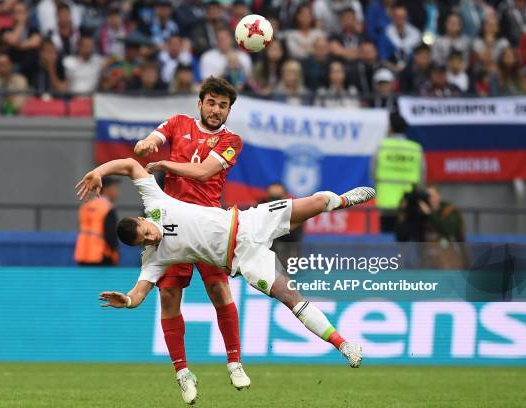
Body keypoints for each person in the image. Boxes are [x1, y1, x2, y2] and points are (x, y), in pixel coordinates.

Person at [75, 158, 374, 404]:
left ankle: (344, 200)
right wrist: (126, 301)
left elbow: (130, 164)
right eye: (145, 240)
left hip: (248, 221)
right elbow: (140, 293)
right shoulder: (154, 257)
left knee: (320, 201)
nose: (152, 237)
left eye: (147, 231)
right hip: (245, 259)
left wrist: (98, 171)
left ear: (142, 220)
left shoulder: (156, 202)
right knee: (290, 297)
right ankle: (345, 345)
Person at [131, 77, 247, 403]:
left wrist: (165, 162)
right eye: (211, 102)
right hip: (170, 224)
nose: (216, 110)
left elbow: (203, 172)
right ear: (200, 103)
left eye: (223, 105)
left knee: (218, 289)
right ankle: (183, 373)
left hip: (209, 224)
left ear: (228, 110)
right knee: (169, 295)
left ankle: (234, 362)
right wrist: (146, 144)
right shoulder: (178, 123)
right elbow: (154, 137)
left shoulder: (232, 140)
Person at [74, 176, 120, 266]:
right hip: (102, 256)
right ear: (107, 189)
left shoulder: (86, 206)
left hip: (83, 254)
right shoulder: (107, 208)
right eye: (115, 188)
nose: (117, 192)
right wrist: (114, 253)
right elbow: (111, 235)